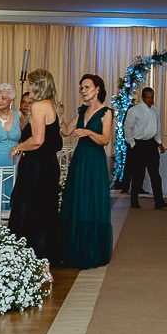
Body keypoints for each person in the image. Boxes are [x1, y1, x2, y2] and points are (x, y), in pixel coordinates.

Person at [58, 73, 114, 268]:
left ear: (97, 89)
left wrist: (89, 132)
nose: (83, 91)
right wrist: (60, 112)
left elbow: (105, 140)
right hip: (80, 158)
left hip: (95, 160)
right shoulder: (82, 111)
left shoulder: (106, 112)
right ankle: (74, 248)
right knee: (77, 199)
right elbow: (65, 131)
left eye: (87, 87)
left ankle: (93, 249)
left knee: (92, 200)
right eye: (81, 88)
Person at [7, 69, 62, 261]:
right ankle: (42, 261)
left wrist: (18, 147)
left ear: (39, 85)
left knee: (30, 210)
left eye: (31, 83)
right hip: (46, 166)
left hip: (37, 167)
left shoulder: (39, 106)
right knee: (43, 211)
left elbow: (38, 140)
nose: (28, 87)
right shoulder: (50, 105)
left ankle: (31, 259)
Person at [122, 84, 167, 210]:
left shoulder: (155, 109)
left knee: (155, 174)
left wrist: (160, 143)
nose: (150, 99)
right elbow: (127, 128)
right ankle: (134, 201)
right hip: (138, 145)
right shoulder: (134, 110)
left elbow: (157, 128)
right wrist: (132, 144)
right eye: (148, 97)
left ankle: (159, 201)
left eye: (152, 97)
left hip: (151, 145)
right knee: (138, 174)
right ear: (143, 98)